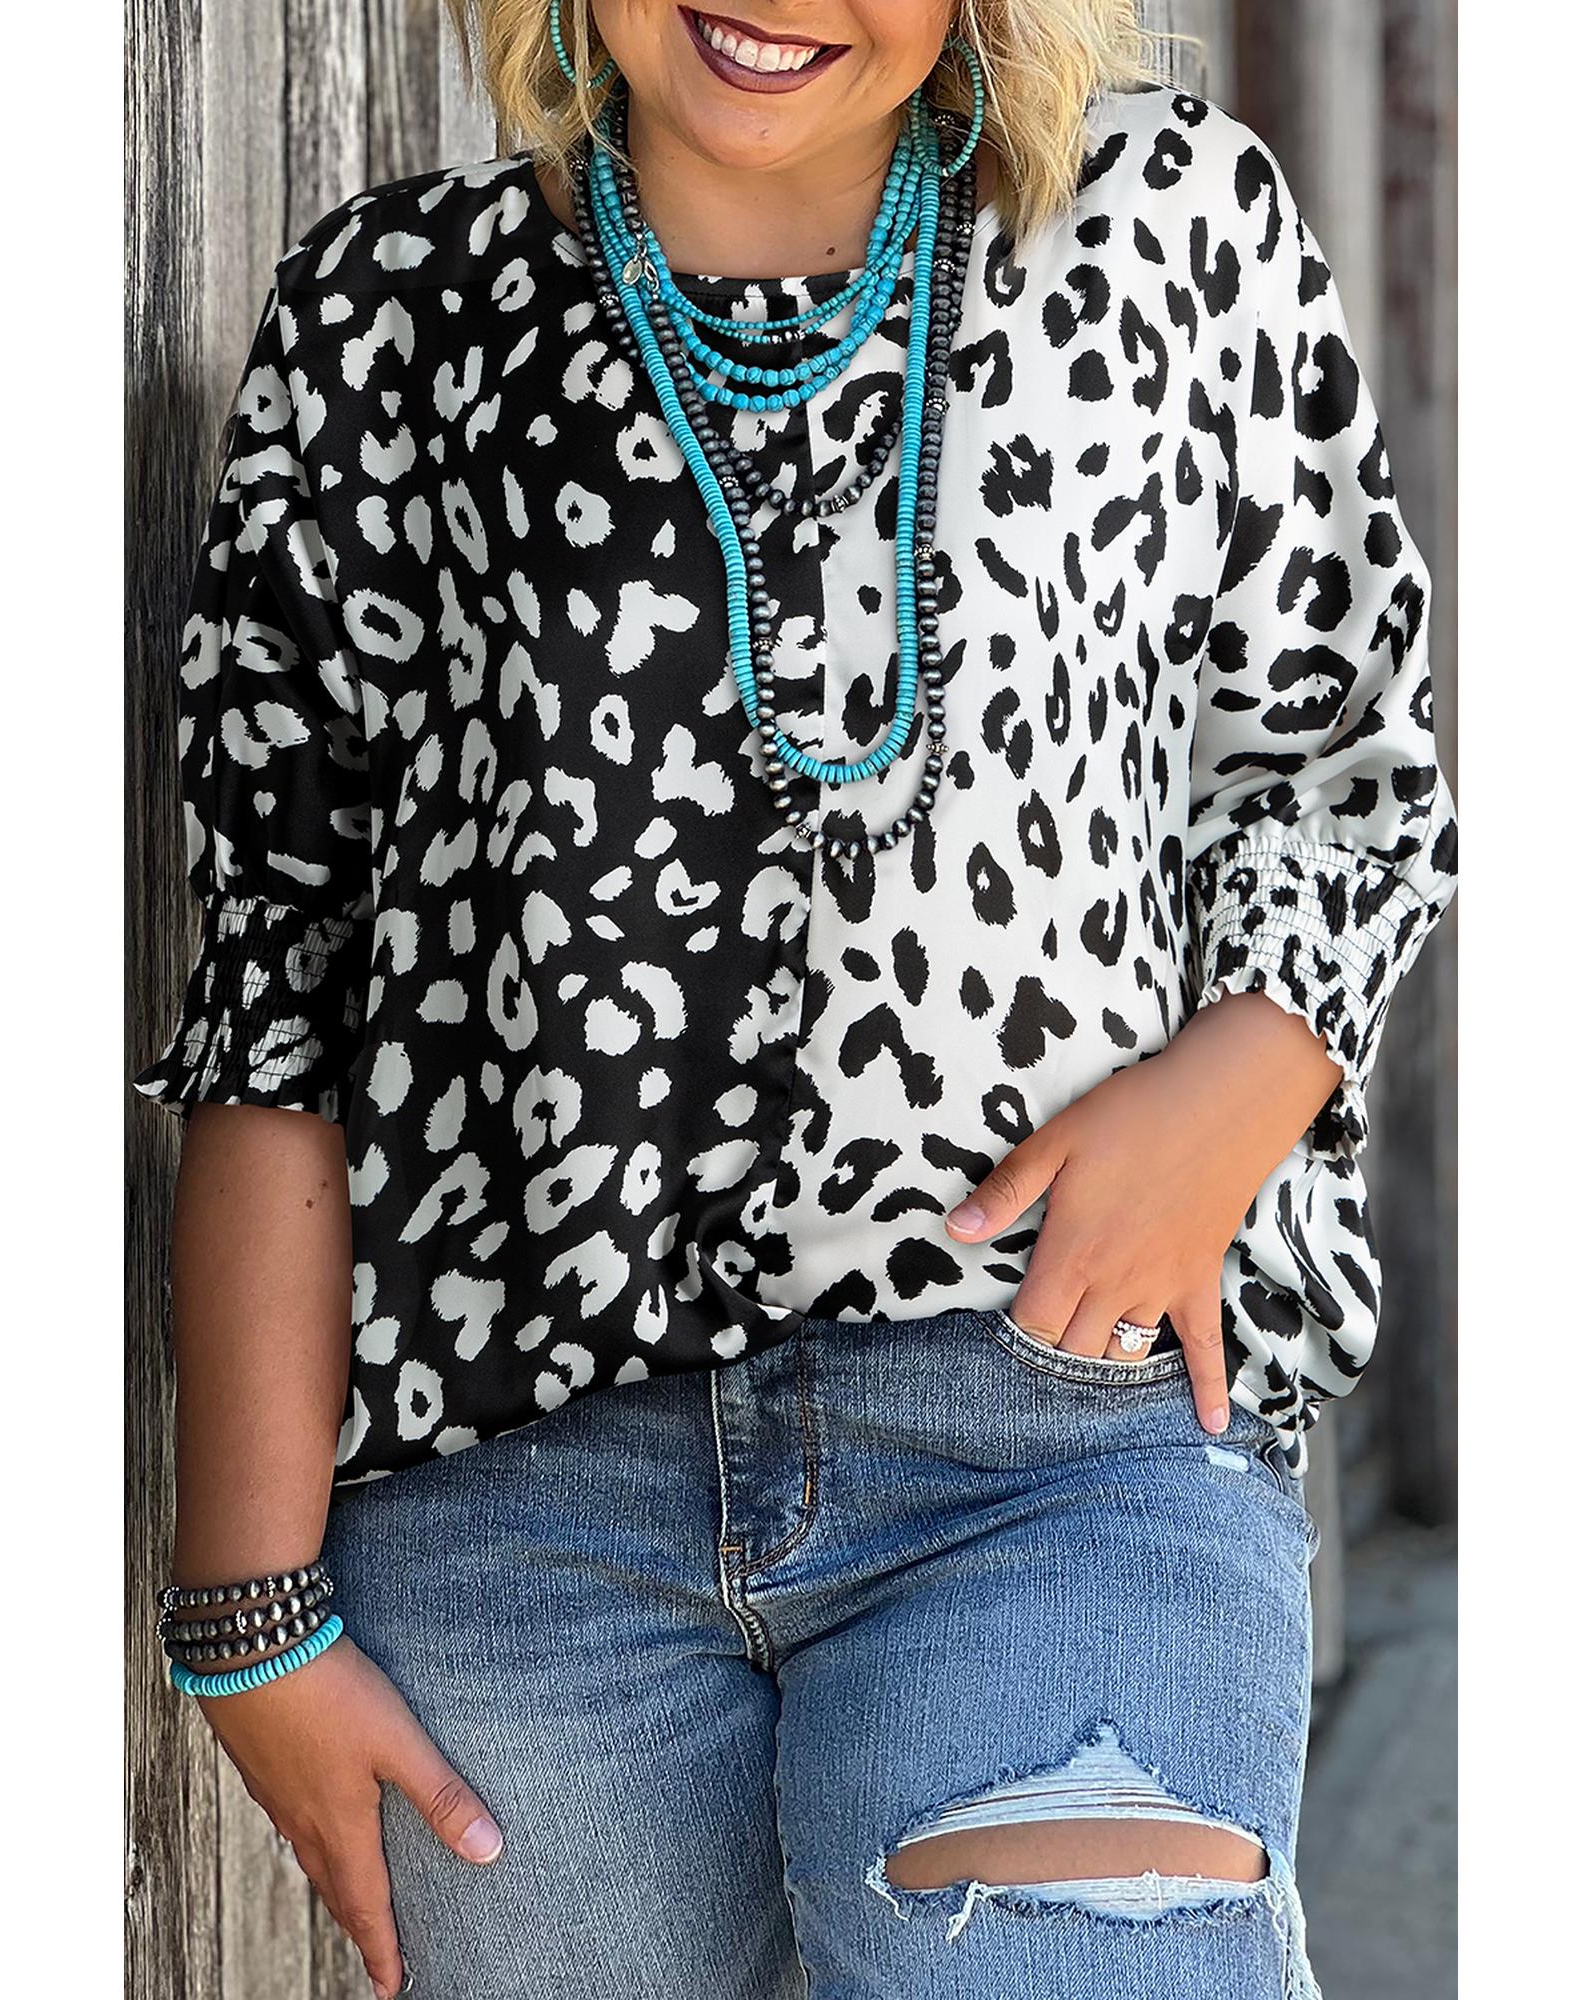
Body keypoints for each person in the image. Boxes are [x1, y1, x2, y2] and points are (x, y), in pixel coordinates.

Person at [133, 3, 1458, 1995]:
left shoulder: (1167, 218)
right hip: (521, 1525)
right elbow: (284, 973)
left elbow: (1343, 773)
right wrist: (247, 1611)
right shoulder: (389, 314)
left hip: (1051, 1438)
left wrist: (1228, 1094)